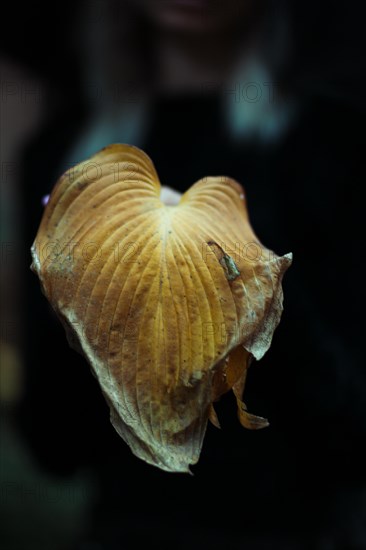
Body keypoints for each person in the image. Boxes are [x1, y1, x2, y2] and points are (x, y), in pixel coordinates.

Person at [17, 1, 366, 548]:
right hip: (127, 532)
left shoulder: (334, 147)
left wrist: (251, 281)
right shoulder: (63, 160)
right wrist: (69, 294)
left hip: (295, 533)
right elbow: (54, 446)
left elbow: (351, 432)